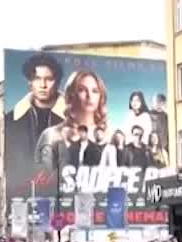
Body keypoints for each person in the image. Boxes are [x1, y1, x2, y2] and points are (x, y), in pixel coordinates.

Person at [6, 53, 65, 182]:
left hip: (64, 191)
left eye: (49, 79)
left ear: (57, 82)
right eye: (37, 78)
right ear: (30, 82)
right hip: (22, 191)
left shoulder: (74, 119)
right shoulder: (11, 120)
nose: (43, 85)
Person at [36, 70, 108, 171]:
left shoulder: (109, 136)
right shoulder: (51, 135)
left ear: (101, 96)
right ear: (71, 94)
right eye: (82, 90)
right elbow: (42, 174)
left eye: (95, 91)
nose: (89, 96)